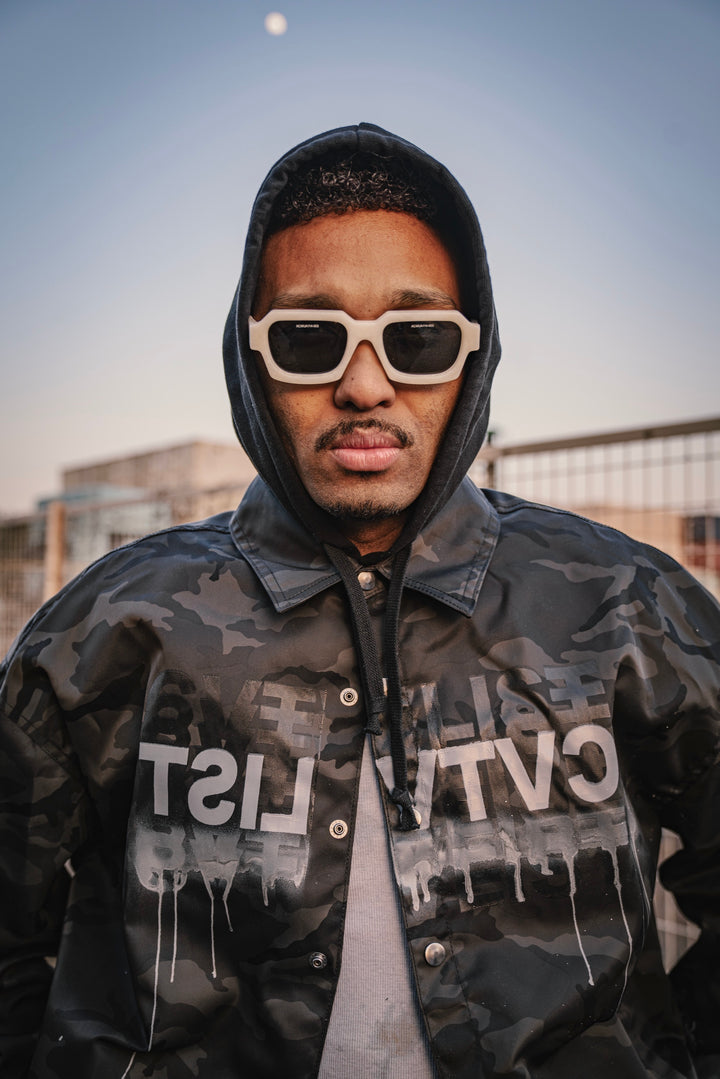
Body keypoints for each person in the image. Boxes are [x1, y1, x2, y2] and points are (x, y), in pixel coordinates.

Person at [0, 122, 718, 1079]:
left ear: (472, 357)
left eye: (417, 339)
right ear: (251, 360)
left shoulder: (629, 606)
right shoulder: (110, 627)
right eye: (310, 339)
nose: (365, 384)